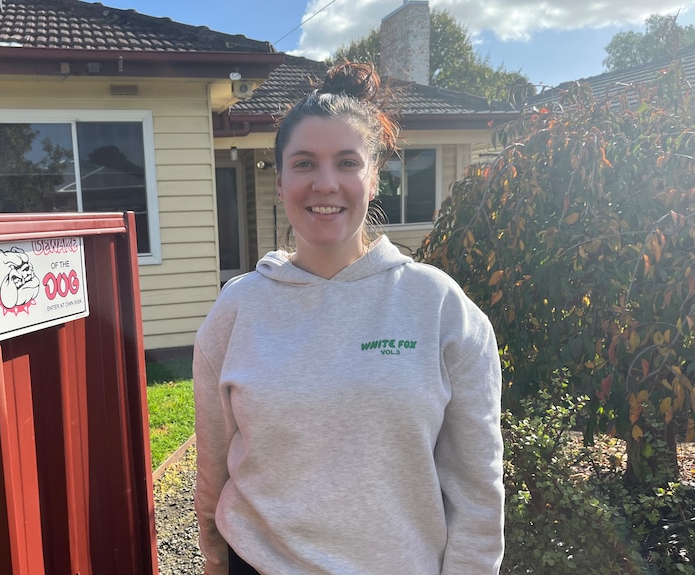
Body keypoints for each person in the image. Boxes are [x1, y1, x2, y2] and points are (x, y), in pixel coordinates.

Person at [193, 61, 504, 575]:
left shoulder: (439, 307)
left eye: (346, 162)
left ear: (375, 176)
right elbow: (212, 474)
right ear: (280, 180)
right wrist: (213, 560)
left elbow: (477, 489)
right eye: (304, 164)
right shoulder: (236, 311)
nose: (325, 183)